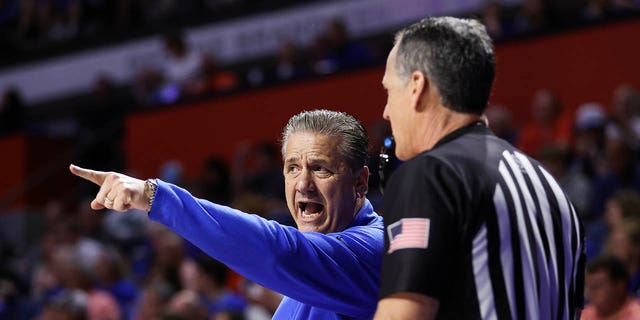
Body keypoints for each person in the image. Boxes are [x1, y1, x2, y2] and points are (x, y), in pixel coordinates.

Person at [69, 109, 383, 319]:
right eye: (292, 168)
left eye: (320, 169)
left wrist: (157, 197)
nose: (303, 184)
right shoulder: (303, 281)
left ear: (360, 183)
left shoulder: (375, 248)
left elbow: (278, 251)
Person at [374, 17, 585, 319]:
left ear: (416, 87)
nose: (385, 111)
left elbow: (403, 314)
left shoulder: (431, 173)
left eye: (389, 91)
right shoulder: (551, 188)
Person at [581, 255, 640, 319]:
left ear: (620, 286)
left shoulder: (637, 315)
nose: (590, 292)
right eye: (587, 286)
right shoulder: (583, 315)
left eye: (596, 286)